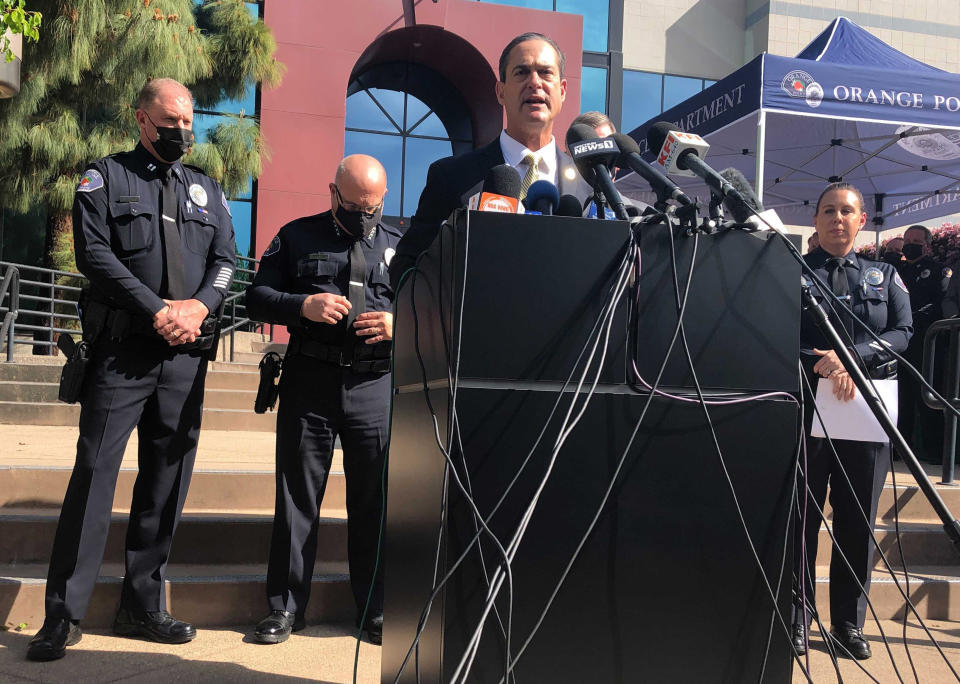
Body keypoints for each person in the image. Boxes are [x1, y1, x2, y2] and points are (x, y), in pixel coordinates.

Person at [27, 78, 236, 661]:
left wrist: (199, 306)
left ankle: (143, 606)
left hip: (185, 357)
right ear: (141, 118)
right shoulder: (104, 177)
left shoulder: (205, 188)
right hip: (123, 354)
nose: (182, 133)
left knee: (165, 483)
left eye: (189, 122)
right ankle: (62, 615)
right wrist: (157, 309)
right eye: (171, 123)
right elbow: (95, 255)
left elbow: (227, 259)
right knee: (94, 475)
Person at [245, 154, 400, 645]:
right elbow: (256, 296)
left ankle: (375, 609)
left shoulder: (402, 245)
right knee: (296, 499)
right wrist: (302, 305)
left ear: (384, 199)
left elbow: (433, 305)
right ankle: (285, 608)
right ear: (333, 193)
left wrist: (401, 323)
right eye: (353, 204)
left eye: (372, 206)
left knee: (374, 502)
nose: (362, 214)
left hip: (374, 386)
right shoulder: (297, 235)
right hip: (310, 381)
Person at [792, 182, 912, 661]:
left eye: (847, 211)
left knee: (856, 522)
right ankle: (797, 617)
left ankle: (847, 623)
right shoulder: (794, 273)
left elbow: (903, 332)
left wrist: (850, 360)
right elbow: (771, 325)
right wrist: (820, 362)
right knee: (801, 519)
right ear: (816, 221)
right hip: (808, 407)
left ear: (862, 221)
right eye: (828, 211)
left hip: (864, 414)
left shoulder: (885, 275)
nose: (837, 218)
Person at [389, 32, 593, 286]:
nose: (534, 82)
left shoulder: (589, 186)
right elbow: (406, 269)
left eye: (545, 73)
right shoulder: (451, 177)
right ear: (500, 91)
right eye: (521, 72)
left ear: (562, 91)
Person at [895, 225, 951, 463]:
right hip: (899, 346)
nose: (910, 244)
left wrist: (912, 318)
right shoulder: (895, 271)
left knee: (927, 398)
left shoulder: (939, 271)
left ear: (927, 245)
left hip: (927, 344)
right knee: (901, 400)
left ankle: (933, 453)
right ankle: (899, 451)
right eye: (907, 240)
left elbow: (941, 303)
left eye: (916, 240)